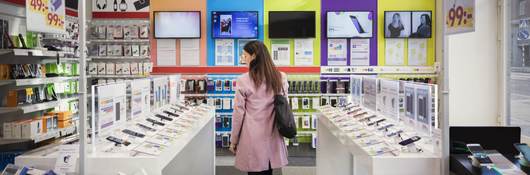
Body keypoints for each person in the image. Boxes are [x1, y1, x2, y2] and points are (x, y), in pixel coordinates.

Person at [230, 41, 289, 175]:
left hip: (252, 137)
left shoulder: (243, 80)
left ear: (254, 56)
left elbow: (238, 113)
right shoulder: (280, 77)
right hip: (273, 135)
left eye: (245, 56)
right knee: (269, 171)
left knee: (254, 171)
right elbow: (284, 105)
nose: (243, 59)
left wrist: (234, 140)